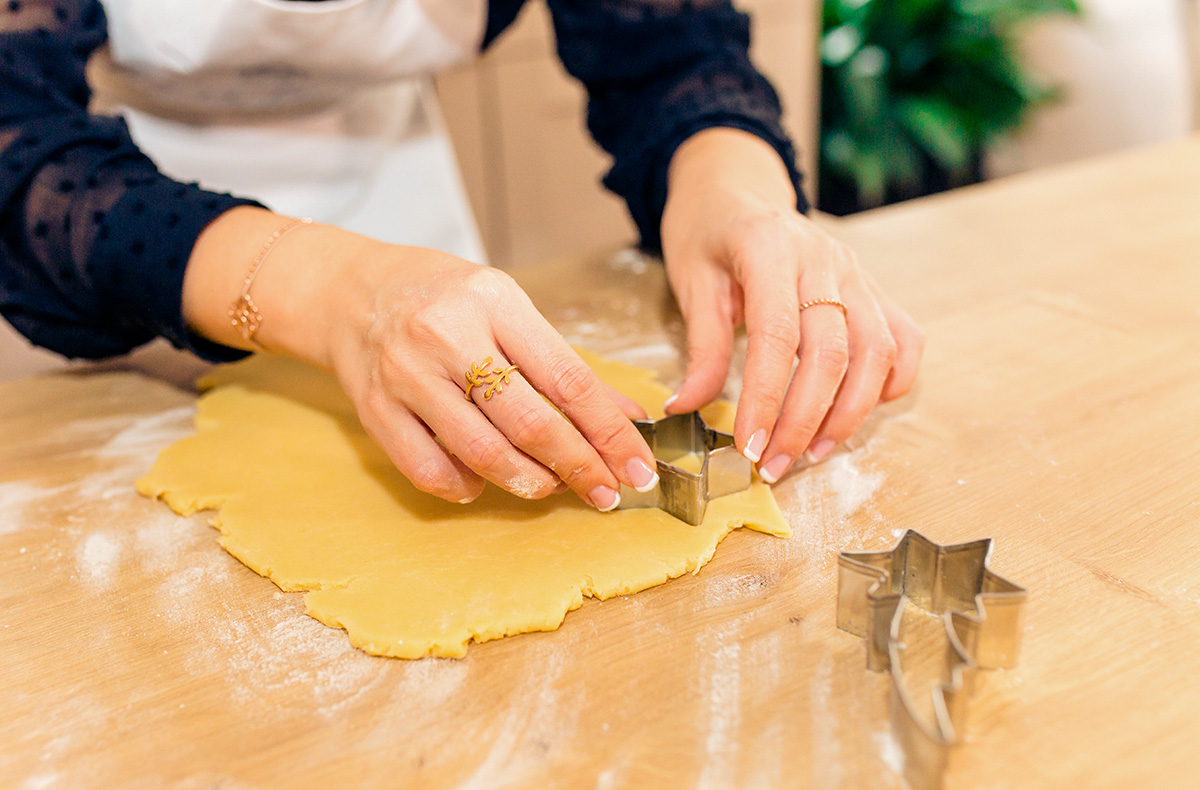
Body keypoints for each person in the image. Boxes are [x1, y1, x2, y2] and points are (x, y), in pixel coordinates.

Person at [0, 0, 923, 512]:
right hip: (102, 225)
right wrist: (336, 291)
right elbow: (13, 132)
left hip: (401, 193)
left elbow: (671, 51)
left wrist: (732, 192)